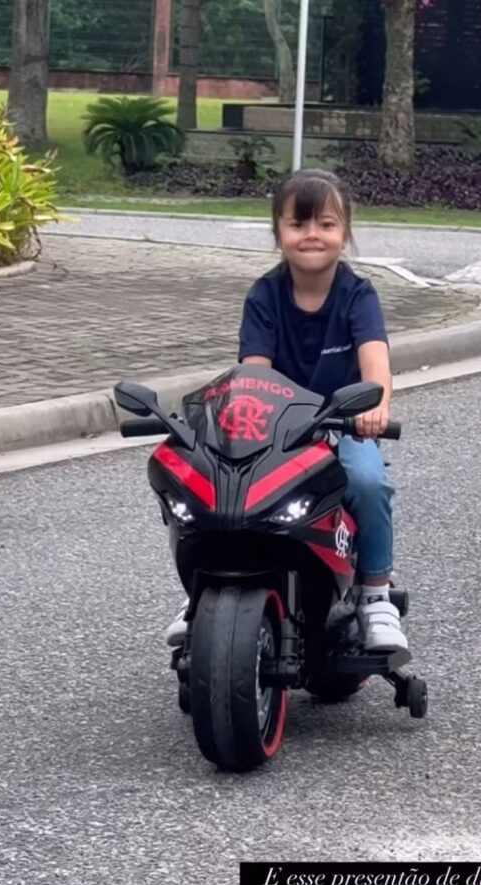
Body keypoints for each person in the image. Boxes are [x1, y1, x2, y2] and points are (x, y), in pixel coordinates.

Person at [166, 168, 407, 652]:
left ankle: (375, 592)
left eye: (325, 224)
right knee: (216, 486)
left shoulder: (358, 296)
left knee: (366, 480)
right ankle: (203, 593)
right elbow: (253, 377)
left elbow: (376, 366)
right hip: (276, 432)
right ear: (278, 232)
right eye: (298, 224)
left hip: (341, 429)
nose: (312, 235)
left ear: (345, 233)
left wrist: (374, 406)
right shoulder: (264, 296)